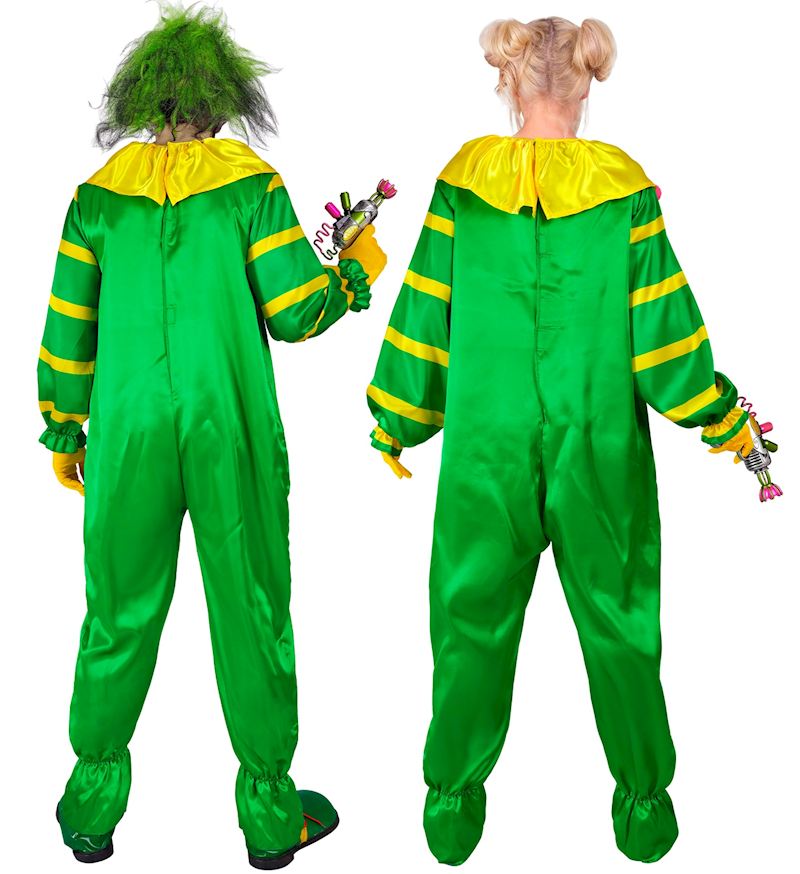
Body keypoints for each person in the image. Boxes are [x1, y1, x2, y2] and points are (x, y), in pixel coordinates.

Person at [366, 15, 755, 865]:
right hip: (598, 440)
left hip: (486, 446)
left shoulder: (463, 187)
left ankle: (450, 812)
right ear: (584, 85)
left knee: (469, 624)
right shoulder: (624, 195)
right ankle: (645, 814)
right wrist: (726, 419)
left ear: (509, 83)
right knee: (620, 621)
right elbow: (663, 340)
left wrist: (396, 418)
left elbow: (426, 309)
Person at [39, 5, 385, 867]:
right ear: (220, 99)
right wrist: (353, 269)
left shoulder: (95, 199)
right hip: (227, 427)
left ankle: (91, 809)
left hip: (125, 436)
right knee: (251, 604)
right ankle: (269, 819)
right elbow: (296, 312)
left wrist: (64, 428)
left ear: (143, 100)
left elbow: (67, 329)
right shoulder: (250, 184)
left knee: (116, 611)